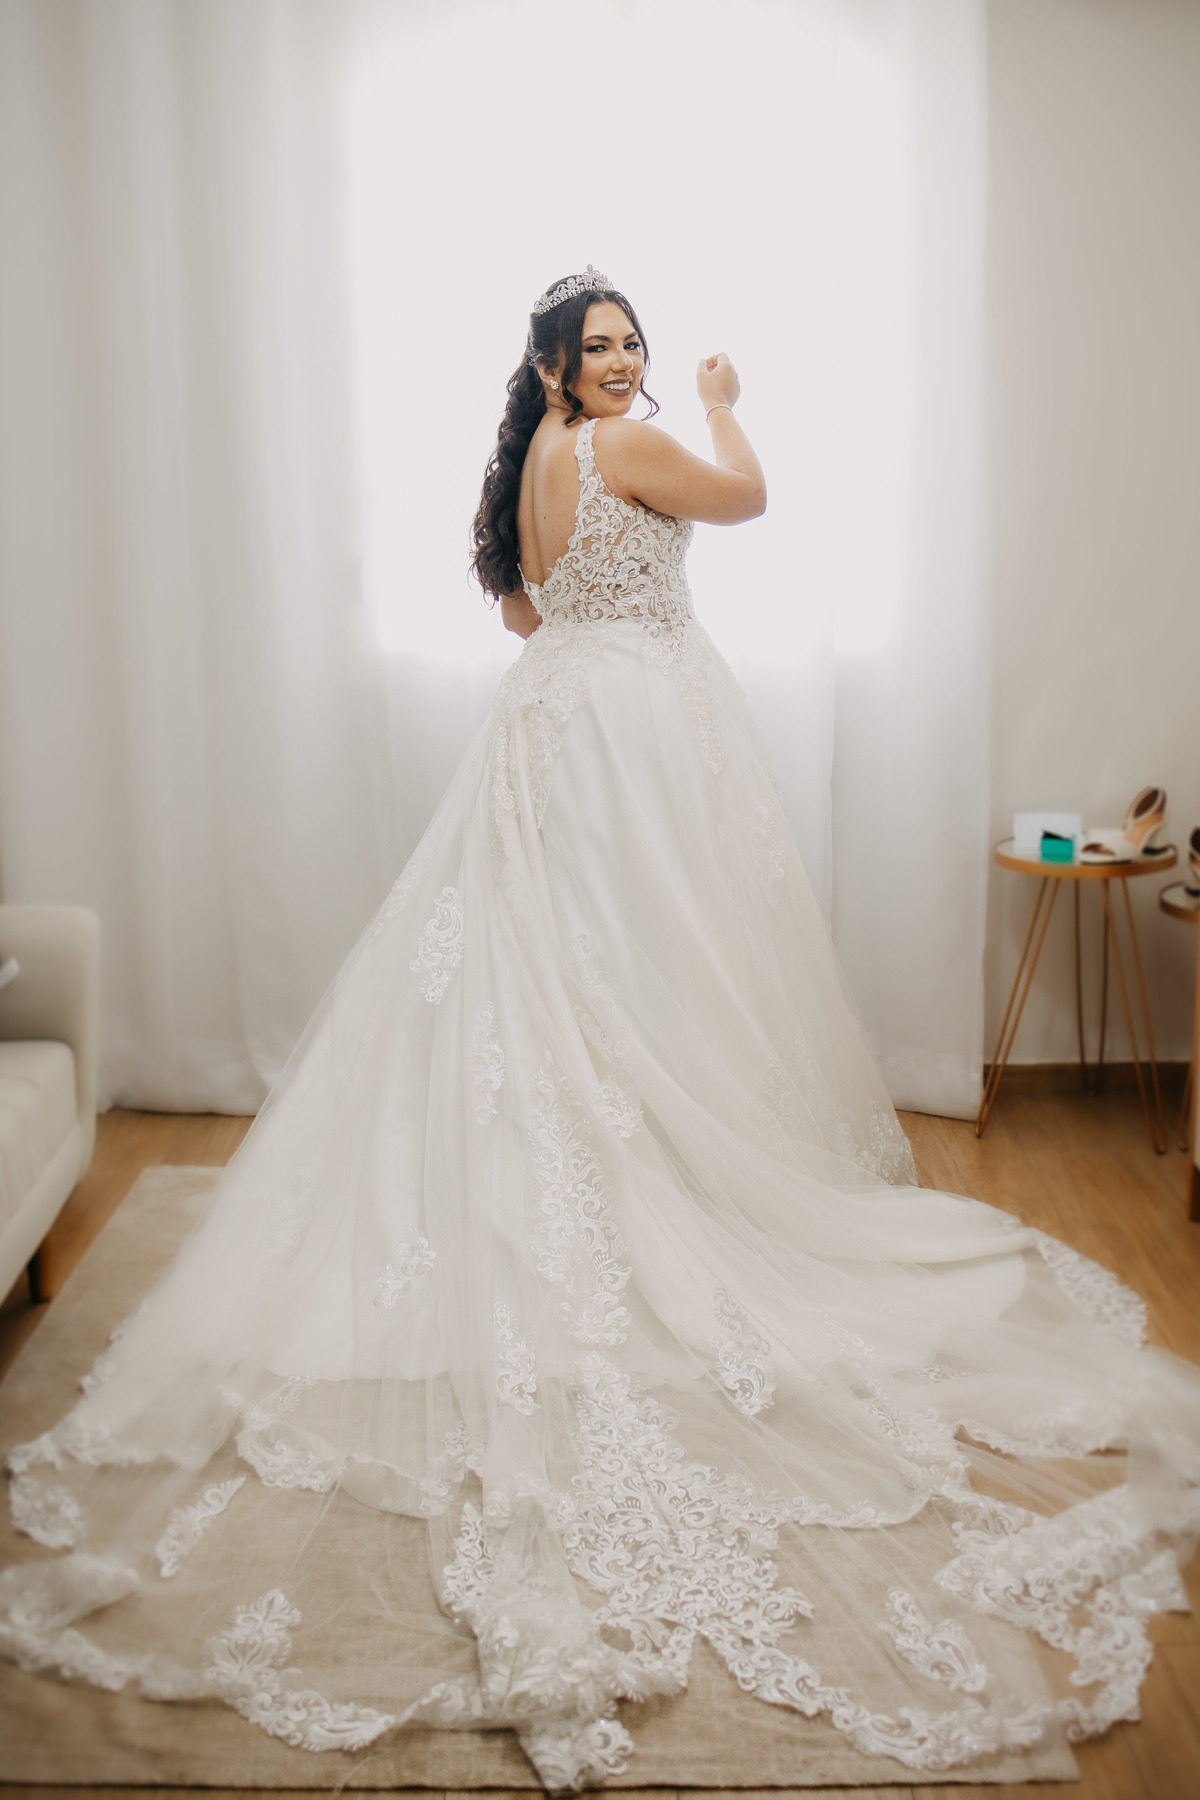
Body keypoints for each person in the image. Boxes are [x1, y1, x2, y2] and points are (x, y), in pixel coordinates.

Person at [2, 268, 1197, 1793]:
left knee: (552, 973)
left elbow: (521, 609)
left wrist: (602, 608)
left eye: (636, 343)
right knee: (639, 969)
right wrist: (724, 404)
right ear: (559, 368)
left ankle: (564, 1177)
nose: (626, 362)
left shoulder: (530, 463)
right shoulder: (628, 442)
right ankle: (650, 1195)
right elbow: (747, 502)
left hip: (550, 723)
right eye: (602, 347)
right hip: (629, 731)